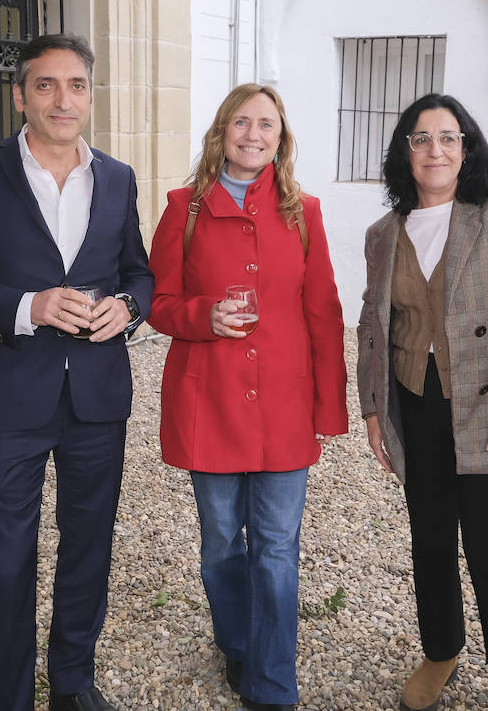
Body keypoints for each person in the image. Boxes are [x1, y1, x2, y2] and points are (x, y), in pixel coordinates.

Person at [0, 33, 153, 711]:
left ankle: (72, 682)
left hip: (97, 398)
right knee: (8, 558)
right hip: (9, 396)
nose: (63, 99)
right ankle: (7, 696)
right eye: (46, 85)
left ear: (90, 95)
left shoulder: (117, 177)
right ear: (20, 96)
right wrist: (26, 307)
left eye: (76, 85)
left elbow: (139, 273)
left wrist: (128, 307)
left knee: (88, 546)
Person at [146, 83, 347, 711]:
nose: (252, 135)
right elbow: (157, 303)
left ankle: (270, 682)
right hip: (209, 404)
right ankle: (236, 643)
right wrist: (203, 315)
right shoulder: (184, 209)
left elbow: (324, 311)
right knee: (220, 544)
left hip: (285, 405)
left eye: (266, 125)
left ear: (281, 139)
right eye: (241, 122)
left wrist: (329, 406)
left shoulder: (304, 212)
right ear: (221, 132)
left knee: (278, 547)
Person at [357, 94, 488, 711]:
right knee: (431, 539)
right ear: (405, 152)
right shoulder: (384, 234)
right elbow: (373, 326)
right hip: (416, 404)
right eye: (421, 138)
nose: (434, 150)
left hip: (487, 410)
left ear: (466, 149)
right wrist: (373, 408)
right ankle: (441, 649)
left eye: (448, 137)